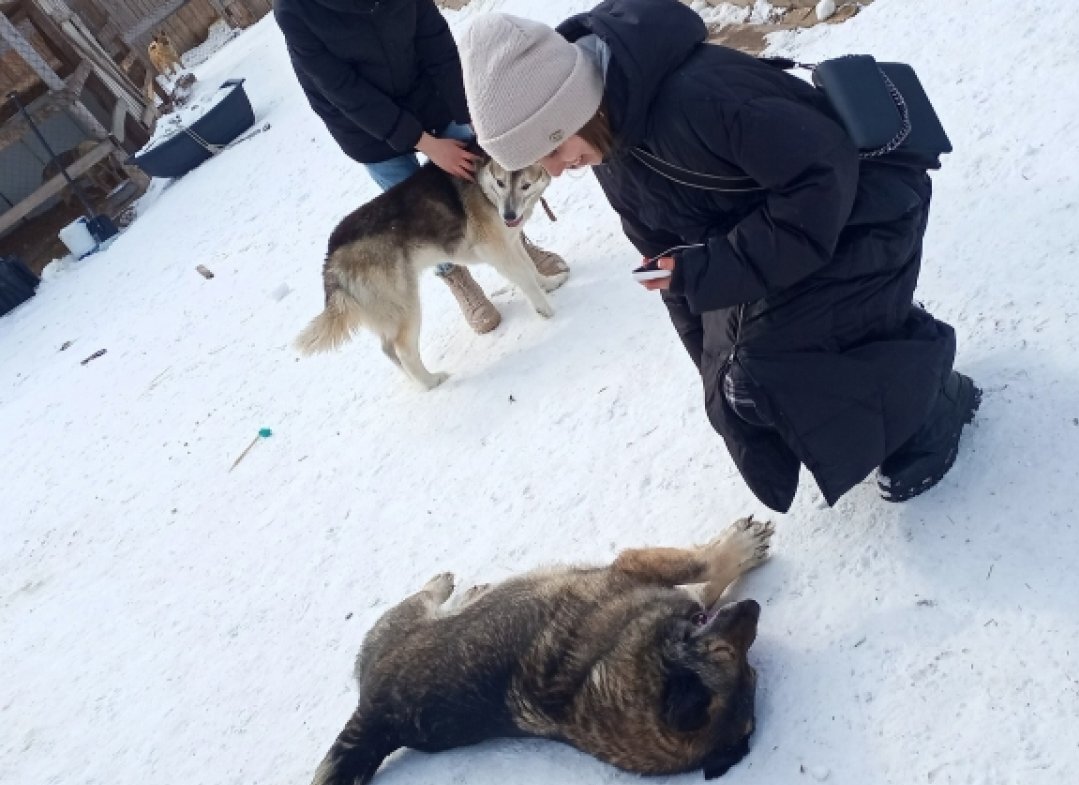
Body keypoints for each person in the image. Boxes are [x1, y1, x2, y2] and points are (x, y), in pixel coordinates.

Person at [458, 0, 981, 510]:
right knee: (736, 381)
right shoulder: (609, 141)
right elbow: (667, 260)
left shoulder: (698, 101)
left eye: (550, 150)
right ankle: (885, 353)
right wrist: (707, 355)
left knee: (770, 367)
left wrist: (711, 278)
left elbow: (823, 177)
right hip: (786, 236)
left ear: (569, 108)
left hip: (868, 215)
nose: (556, 169)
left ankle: (934, 402)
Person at [274, 0, 568, 335]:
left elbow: (435, 42)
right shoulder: (295, 11)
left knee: (480, 173)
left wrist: (469, 115)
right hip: (363, 125)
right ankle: (457, 278)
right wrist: (426, 143)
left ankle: (516, 247)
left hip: (423, 91)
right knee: (423, 213)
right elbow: (347, 92)